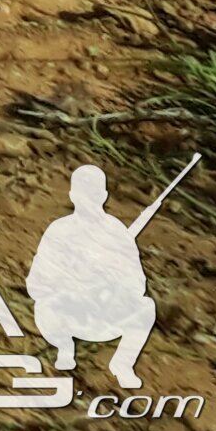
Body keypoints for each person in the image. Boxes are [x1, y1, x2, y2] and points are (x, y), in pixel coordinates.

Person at [28, 165, 162, 387]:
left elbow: (137, 282)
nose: (88, 200)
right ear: (72, 195)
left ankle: (123, 363)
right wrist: (68, 283)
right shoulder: (58, 230)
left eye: (93, 194)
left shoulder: (116, 231)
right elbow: (37, 282)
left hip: (105, 315)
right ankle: (64, 347)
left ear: (103, 196)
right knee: (44, 307)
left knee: (146, 306)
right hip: (68, 314)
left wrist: (109, 283)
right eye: (83, 194)